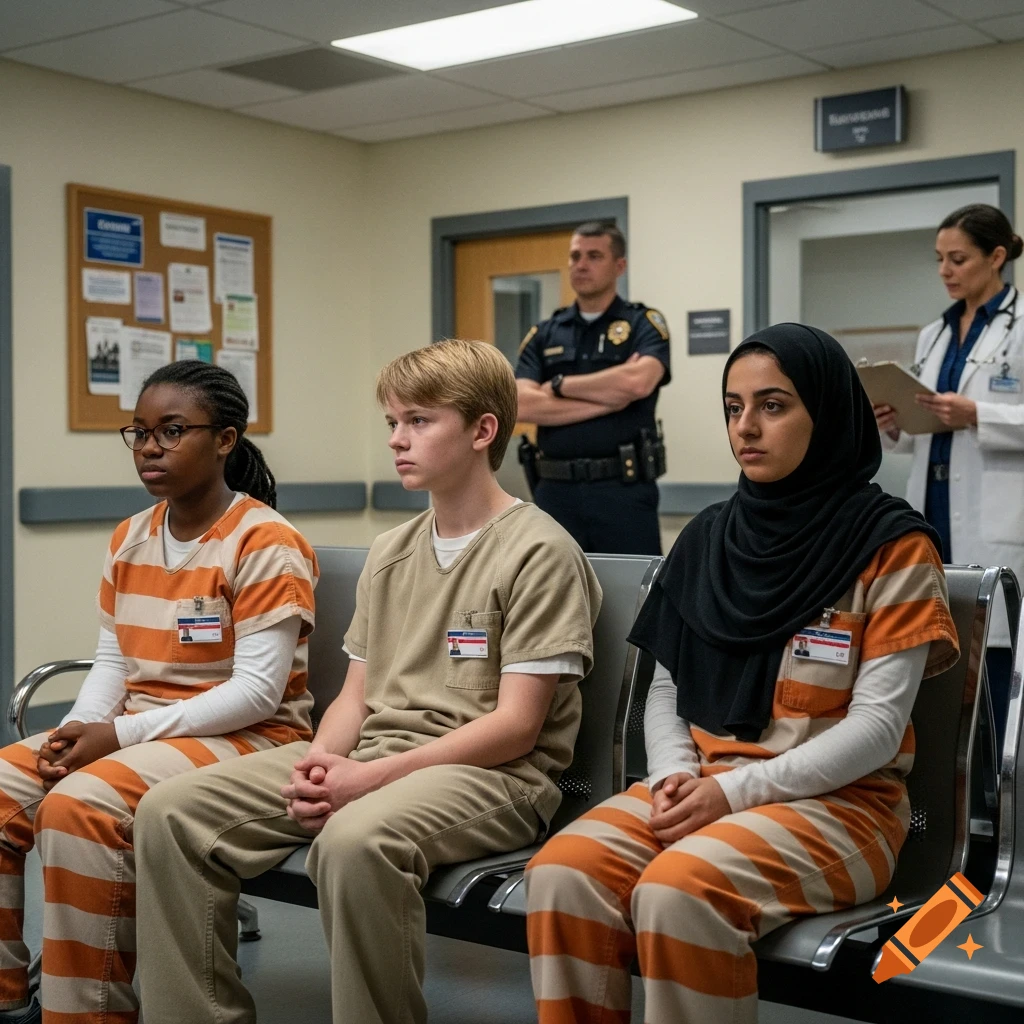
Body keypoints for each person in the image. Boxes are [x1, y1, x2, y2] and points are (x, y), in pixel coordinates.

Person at [133, 339, 603, 1024]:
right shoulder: (394, 549)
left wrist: (369, 782)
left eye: (418, 421)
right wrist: (324, 762)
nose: (397, 440)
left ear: (482, 431)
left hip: (497, 775)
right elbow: (356, 694)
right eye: (391, 423)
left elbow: (516, 728)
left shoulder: (540, 551)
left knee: (355, 841)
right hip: (374, 758)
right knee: (168, 814)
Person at [526, 324, 960, 1024]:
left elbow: (878, 730)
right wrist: (673, 773)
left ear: (827, 412)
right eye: (733, 407)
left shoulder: (892, 546)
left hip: (842, 809)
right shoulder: (708, 537)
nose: (746, 427)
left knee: (679, 890)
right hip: (701, 786)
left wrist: (732, 792)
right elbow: (666, 689)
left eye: (773, 405)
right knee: (562, 872)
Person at [0, 361, 317, 1024]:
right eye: (140, 432)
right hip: (142, 732)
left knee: (80, 807)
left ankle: (85, 1012)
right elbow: (114, 662)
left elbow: (259, 694)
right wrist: (79, 729)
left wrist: (113, 738)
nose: (149, 447)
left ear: (225, 439)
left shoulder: (265, 541)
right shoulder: (132, 537)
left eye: (172, 431)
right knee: (4, 783)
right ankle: (9, 997)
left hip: (248, 739)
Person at [873, 203, 1024, 739]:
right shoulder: (932, 335)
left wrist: (979, 414)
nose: (945, 270)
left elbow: (973, 418)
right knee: (940, 651)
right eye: (939, 259)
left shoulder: (1021, 327)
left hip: (994, 515)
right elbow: (925, 426)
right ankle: (951, 785)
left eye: (958, 258)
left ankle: (999, 795)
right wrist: (893, 420)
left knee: (996, 660)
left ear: (997, 256)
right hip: (934, 506)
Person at [515, 222, 671, 554]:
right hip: (554, 491)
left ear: (620, 266)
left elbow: (638, 381)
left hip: (623, 490)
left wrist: (559, 385)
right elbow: (521, 404)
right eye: (574, 256)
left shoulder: (642, 324)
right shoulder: (545, 333)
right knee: (553, 596)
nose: (580, 265)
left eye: (594, 256)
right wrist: (611, 400)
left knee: (631, 599)